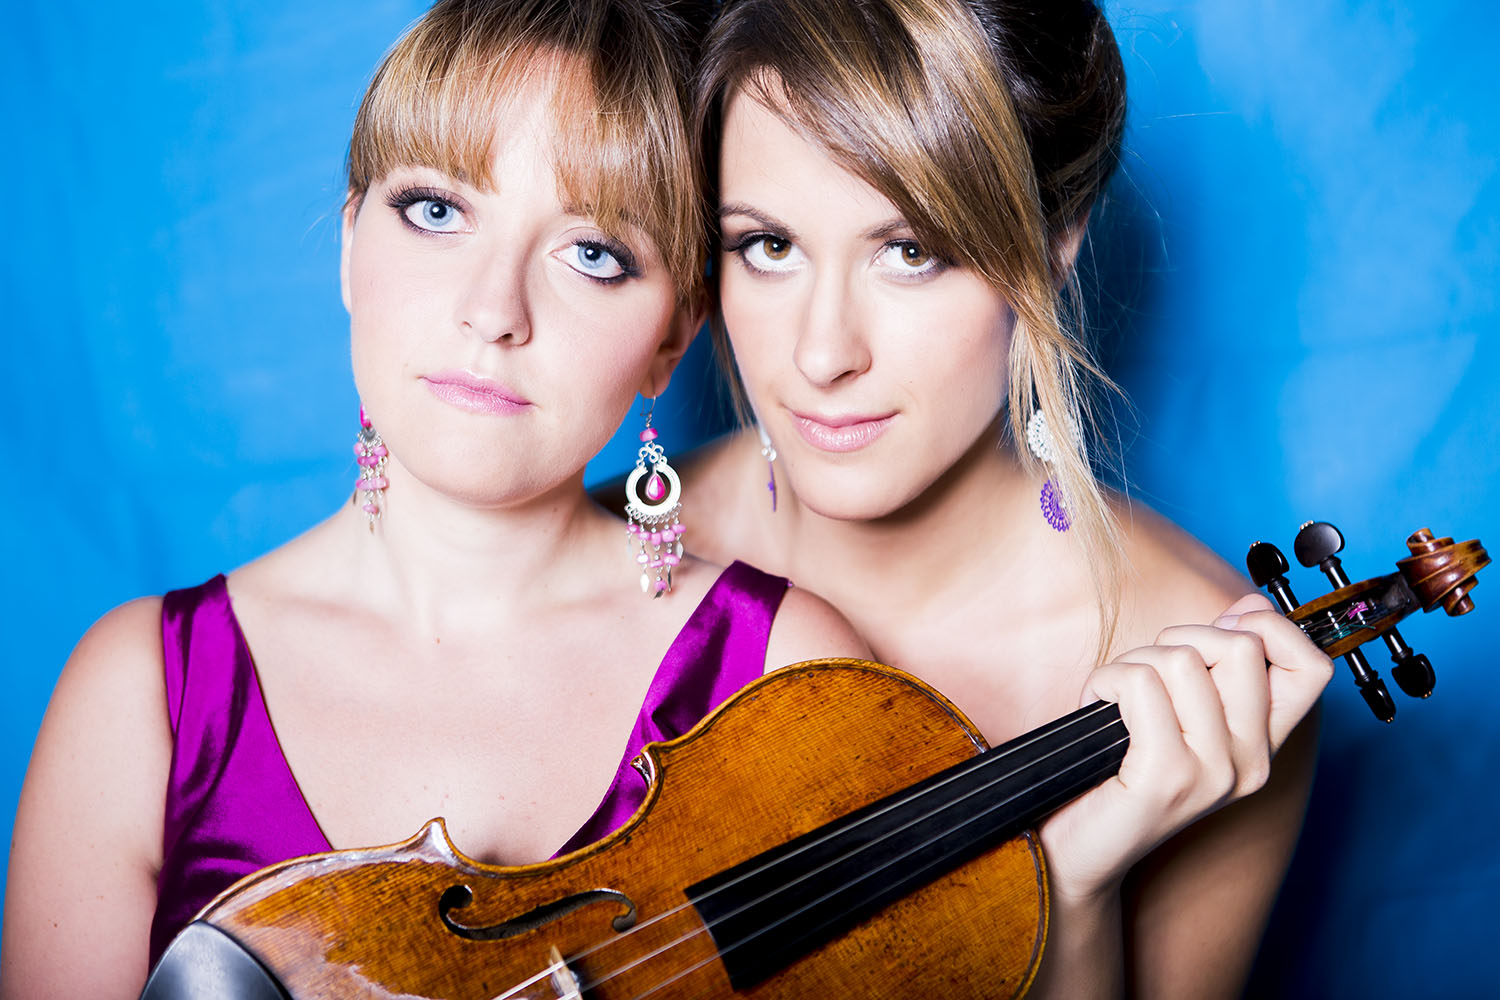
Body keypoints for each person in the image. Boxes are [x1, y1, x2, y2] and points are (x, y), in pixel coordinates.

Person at [0, 2, 870, 996]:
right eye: (438, 211)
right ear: (348, 244)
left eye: (592, 252)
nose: (493, 311)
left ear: (672, 339)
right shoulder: (144, 696)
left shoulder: (790, 680)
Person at [674, 0, 1336, 995]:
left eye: (910, 250)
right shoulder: (603, 545)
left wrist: (1073, 892)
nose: (821, 353)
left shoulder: (1208, 670)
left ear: (1056, 240)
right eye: (769, 245)